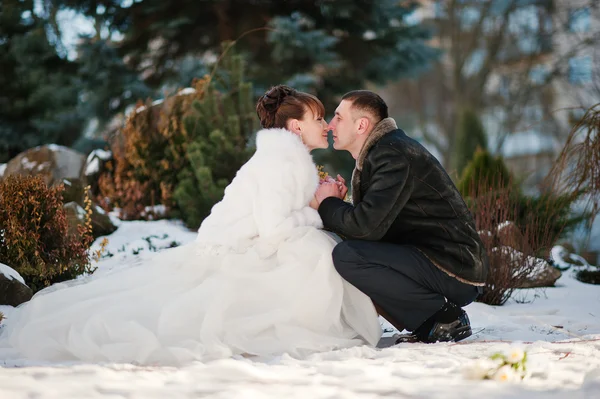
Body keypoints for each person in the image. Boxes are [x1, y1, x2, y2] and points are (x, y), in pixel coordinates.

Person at [0, 86, 381, 365]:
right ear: (296, 127)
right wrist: (319, 206)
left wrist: (322, 195)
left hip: (248, 242)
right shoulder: (281, 162)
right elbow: (275, 228)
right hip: (238, 247)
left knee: (317, 251)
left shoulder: (288, 158)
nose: (326, 125)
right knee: (313, 256)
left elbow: (282, 211)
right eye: (318, 119)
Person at [311, 90, 489, 343]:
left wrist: (327, 203)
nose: (330, 125)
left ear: (361, 125)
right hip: (436, 257)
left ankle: (443, 318)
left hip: (452, 265)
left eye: (338, 118)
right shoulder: (386, 150)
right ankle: (430, 318)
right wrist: (340, 205)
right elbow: (376, 223)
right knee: (352, 251)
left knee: (349, 255)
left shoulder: (391, 154)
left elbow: (365, 228)